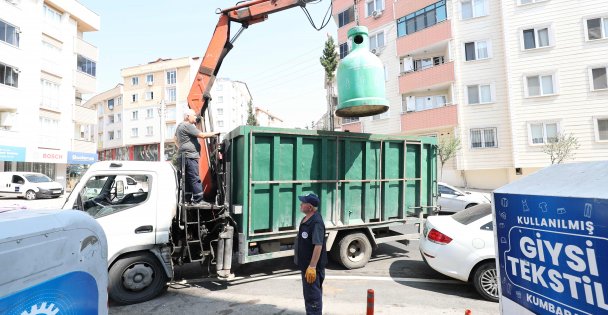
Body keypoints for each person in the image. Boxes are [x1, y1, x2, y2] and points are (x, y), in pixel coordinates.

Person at [174, 108, 219, 205]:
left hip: (183, 156)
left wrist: (182, 147)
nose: (195, 117)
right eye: (193, 115)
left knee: (187, 179)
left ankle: (187, 199)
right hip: (190, 156)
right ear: (187, 116)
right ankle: (198, 200)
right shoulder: (188, 125)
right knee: (194, 178)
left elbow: (175, 139)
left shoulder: (179, 126)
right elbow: (202, 135)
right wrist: (214, 133)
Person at [294, 193, 327, 315]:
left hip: (312, 269)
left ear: (310, 207)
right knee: (309, 296)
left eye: (303, 203)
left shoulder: (316, 222)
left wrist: (312, 266)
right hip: (305, 266)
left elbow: (318, 245)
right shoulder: (306, 219)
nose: (300, 204)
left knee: (313, 299)